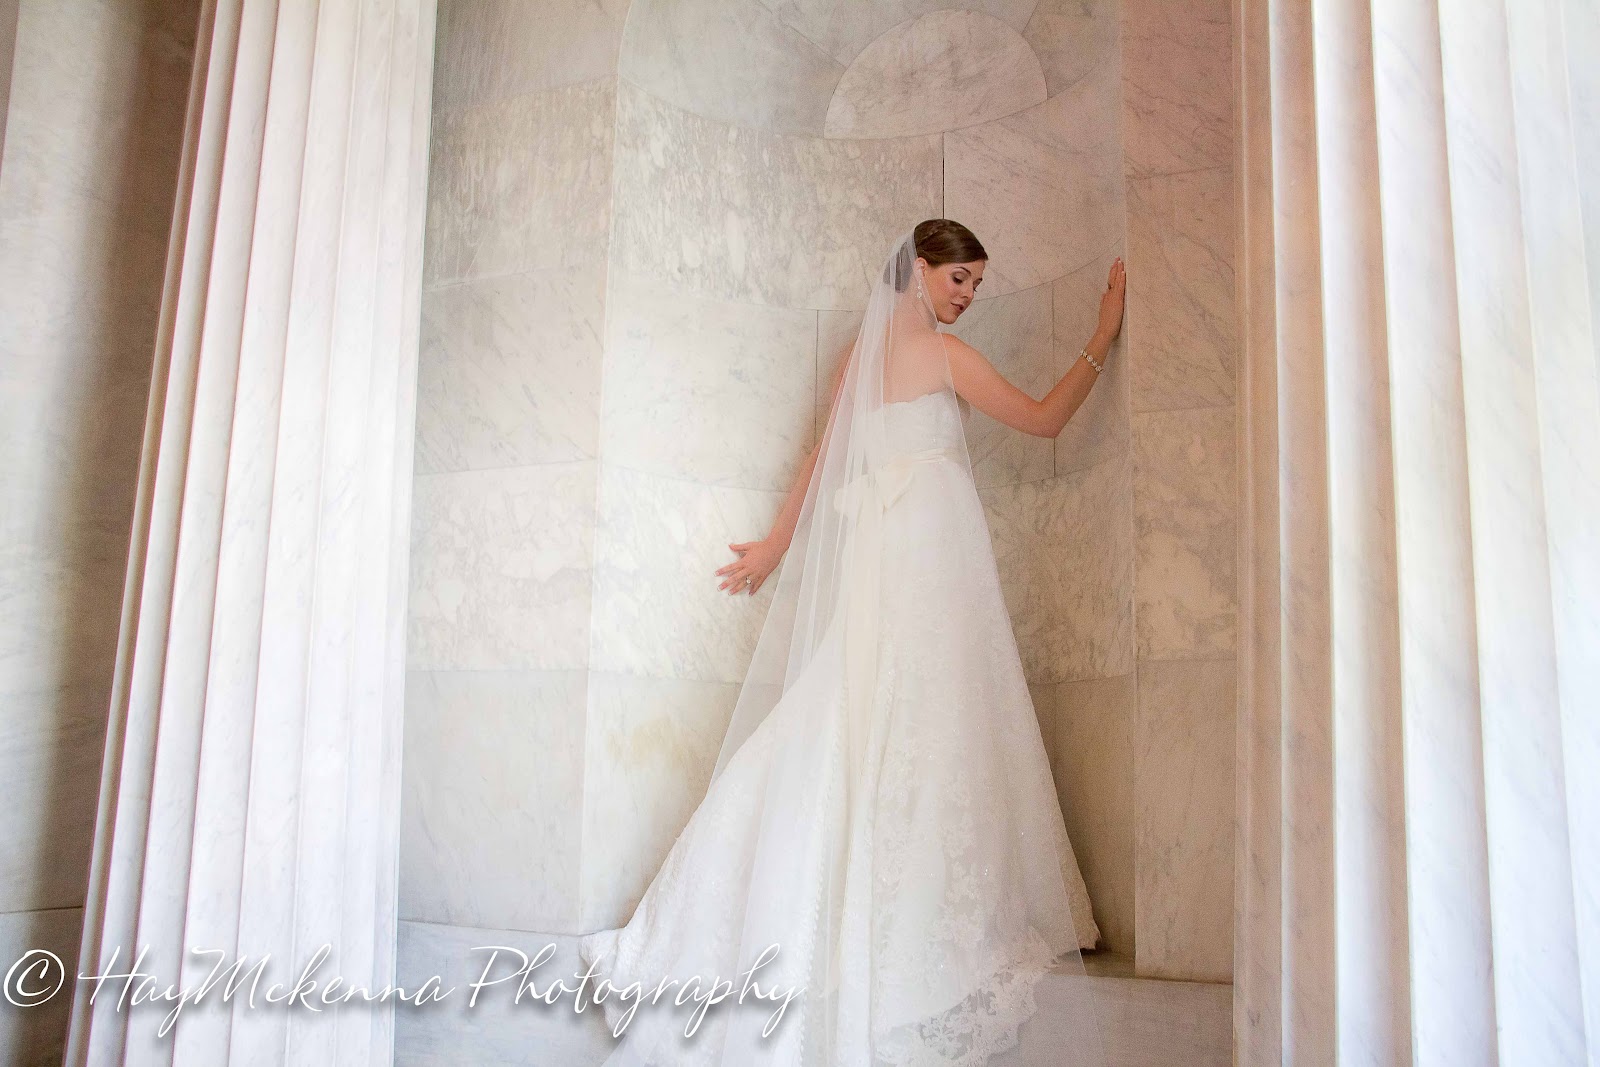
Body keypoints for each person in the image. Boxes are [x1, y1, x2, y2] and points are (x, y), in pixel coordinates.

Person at [579, 220, 1128, 1067]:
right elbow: (1045, 420)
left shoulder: (863, 361)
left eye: (978, 284)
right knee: (903, 717)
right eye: (961, 278)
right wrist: (1101, 335)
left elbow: (819, 455)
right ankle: (899, 920)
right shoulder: (943, 358)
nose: (970, 296)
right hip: (922, 563)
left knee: (872, 716)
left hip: (902, 560)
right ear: (920, 269)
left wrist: (777, 543)